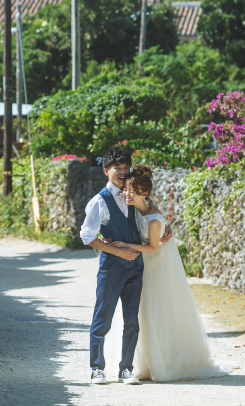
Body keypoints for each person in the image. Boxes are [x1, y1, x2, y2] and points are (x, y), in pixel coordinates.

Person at [113, 165, 229, 382]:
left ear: (144, 193)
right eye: (126, 189)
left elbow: (153, 247)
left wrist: (123, 244)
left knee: (158, 308)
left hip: (157, 263)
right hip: (143, 262)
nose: (126, 194)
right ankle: (142, 363)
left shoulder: (154, 219)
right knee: (140, 310)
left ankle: (164, 361)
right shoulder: (132, 207)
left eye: (132, 190)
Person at [79, 147, 172, 385]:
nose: (122, 172)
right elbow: (87, 236)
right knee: (103, 318)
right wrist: (117, 250)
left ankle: (126, 369)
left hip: (136, 267)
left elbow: (150, 214)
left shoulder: (133, 192)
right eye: (116, 168)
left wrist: (164, 228)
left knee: (132, 320)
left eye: (125, 167)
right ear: (106, 171)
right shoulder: (100, 201)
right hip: (111, 267)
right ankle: (97, 369)